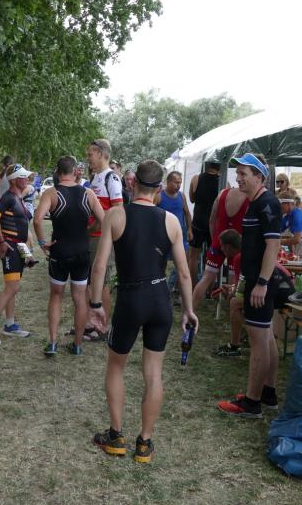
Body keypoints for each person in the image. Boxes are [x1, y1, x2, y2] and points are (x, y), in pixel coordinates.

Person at [90, 159, 198, 464]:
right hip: (159, 297)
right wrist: (189, 310)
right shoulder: (171, 221)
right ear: (159, 188)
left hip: (130, 298)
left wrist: (96, 304)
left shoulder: (116, 215)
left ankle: (116, 436)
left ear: (132, 182)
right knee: (153, 373)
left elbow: (100, 266)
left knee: (116, 367)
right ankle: (144, 443)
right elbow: (184, 273)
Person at [216, 153, 282, 418]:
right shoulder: (255, 203)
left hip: (261, 283)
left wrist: (262, 283)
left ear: (259, 176)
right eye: (238, 173)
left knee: (258, 342)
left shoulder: (267, 203)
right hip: (256, 281)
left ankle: (252, 403)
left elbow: (273, 246)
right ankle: (267, 393)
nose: (238, 178)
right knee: (266, 338)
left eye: (243, 173)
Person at [33, 156, 105, 356]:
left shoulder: (51, 193)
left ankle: (53, 342)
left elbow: (37, 220)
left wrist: (42, 243)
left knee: (56, 296)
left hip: (60, 251)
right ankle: (78, 345)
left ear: (57, 172)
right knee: (80, 298)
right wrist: (89, 230)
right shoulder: (88, 193)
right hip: (82, 251)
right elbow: (103, 219)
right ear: (75, 172)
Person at [0, 163, 34, 344]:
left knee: (14, 287)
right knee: (11, 288)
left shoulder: (18, 197)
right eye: (23, 176)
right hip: (10, 248)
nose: (27, 179)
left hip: (18, 247)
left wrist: (27, 251)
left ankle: (10, 324)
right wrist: (1, 241)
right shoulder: (8, 198)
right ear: (14, 180)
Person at [86, 139, 124, 337]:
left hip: (103, 238)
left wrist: (97, 226)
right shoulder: (95, 177)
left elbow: (117, 211)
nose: (88, 158)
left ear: (101, 154)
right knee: (92, 283)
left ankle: (103, 328)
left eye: (90, 154)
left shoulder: (112, 178)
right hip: (92, 237)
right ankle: (92, 323)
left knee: (103, 286)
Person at [191, 185, 249, 311]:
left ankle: (191, 311)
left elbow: (212, 220)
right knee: (233, 281)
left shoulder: (223, 193)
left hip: (219, 241)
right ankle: (231, 312)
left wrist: (215, 240)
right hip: (236, 245)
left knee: (206, 279)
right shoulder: (249, 197)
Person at [188, 161, 224, 286]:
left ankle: (193, 286)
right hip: (214, 224)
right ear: (219, 168)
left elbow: (192, 199)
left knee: (193, 256)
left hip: (198, 222)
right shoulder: (224, 182)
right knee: (213, 257)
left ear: (206, 166)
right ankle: (209, 288)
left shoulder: (196, 178)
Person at [155, 171, 192, 292]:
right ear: (168, 181)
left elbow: (187, 213)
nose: (178, 185)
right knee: (162, 264)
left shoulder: (181, 196)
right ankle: (160, 288)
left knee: (182, 265)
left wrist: (190, 229)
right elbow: (151, 214)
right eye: (176, 182)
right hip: (163, 236)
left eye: (180, 183)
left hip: (180, 236)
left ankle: (177, 289)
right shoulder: (159, 196)